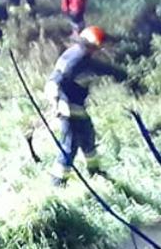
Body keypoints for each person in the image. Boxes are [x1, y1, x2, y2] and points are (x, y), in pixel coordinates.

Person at [45, 26, 127, 186]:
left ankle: (95, 172)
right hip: (68, 109)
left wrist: (119, 73)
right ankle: (58, 182)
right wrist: (55, 103)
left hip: (77, 108)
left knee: (88, 138)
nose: (98, 50)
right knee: (69, 146)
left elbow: (100, 67)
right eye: (97, 47)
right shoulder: (77, 59)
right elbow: (56, 80)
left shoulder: (78, 54)